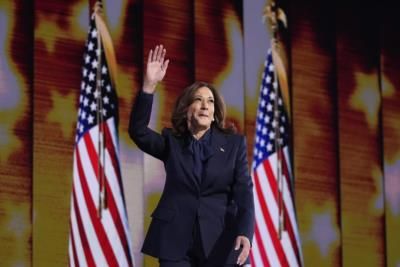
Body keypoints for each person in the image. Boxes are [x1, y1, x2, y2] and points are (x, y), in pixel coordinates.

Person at [129, 44, 255, 267]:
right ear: (187, 109)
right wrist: (149, 86)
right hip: (174, 239)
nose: (205, 105)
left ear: (215, 113)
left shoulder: (234, 145)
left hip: (220, 240)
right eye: (199, 100)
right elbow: (138, 132)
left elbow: (244, 191)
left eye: (210, 101)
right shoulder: (172, 142)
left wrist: (245, 232)